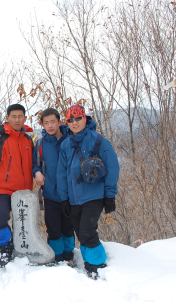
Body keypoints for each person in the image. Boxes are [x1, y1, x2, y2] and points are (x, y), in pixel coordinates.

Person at [57, 105, 119, 277]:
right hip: (74, 198)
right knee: (80, 231)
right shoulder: (66, 145)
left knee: (87, 231)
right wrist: (64, 198)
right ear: (67, 122)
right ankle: (89, 261)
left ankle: (97, 265)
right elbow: (61, 173)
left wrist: (110, 195)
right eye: (71, 120)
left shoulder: (98, 140)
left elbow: (112, 167)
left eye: (78, 118)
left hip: (94, 195)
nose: (75, 122)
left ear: (85, 118)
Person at [0, 104, 34, 267]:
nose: (17, 119)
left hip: (25, 191)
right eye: (13, 116)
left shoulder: (28, 139)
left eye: (20, 116)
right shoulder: (1, 137)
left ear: (25, 118)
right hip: (5, 189)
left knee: (24, 223)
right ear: (7, 118)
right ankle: (6, 247)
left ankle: (24, 248)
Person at [33, 108, 75, 264]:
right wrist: (36, 173)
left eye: (52, 121)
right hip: (50, 192)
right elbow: (35, 165)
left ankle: (68, 254)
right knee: (53, 227)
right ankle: (56, 256)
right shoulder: (40, 144)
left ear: (59, 122)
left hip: (71, 193)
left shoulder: (71, 139)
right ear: (42, 125)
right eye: (46, 123)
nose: (49, 125)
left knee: (68, 227)